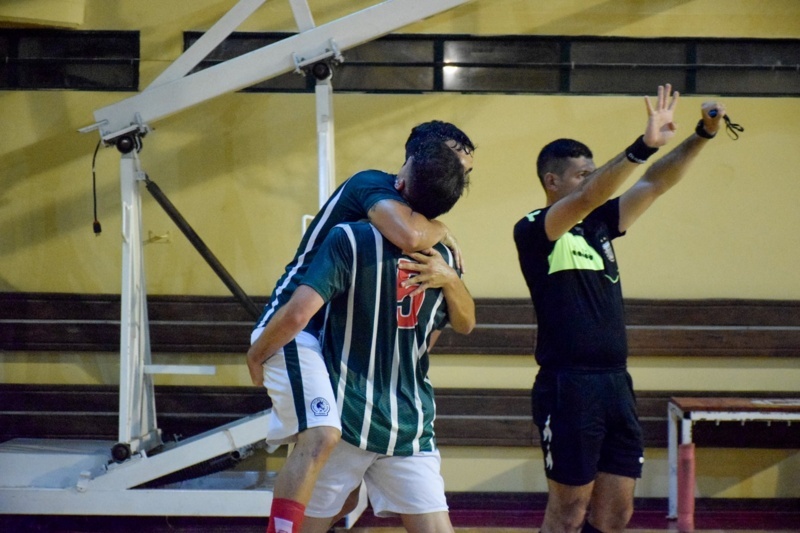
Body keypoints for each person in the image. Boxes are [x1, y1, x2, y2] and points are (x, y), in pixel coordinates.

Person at [513, 84, 727, 533]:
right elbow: (590, 197)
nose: (591, 181)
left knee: (616, 514)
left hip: (615, 383)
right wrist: (641, 146)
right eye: (581, 174)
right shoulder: (534, 229)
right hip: (568, 385)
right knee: (569, 511)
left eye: (594, 171)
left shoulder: (601, 228)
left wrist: (701, 135)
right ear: (552, 182)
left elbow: (654, 182)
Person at [250, 122, 475, 533]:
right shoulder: (372, 192)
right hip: (293, 324)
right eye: (456, 162)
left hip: (351, 360)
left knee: (346, 494)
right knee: (321, 436)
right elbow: (409, 234)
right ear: (416, 160)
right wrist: (443, 229)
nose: (460, 173)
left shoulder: (437, 258)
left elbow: (454, 325)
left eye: (465, 169)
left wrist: (451, 275)